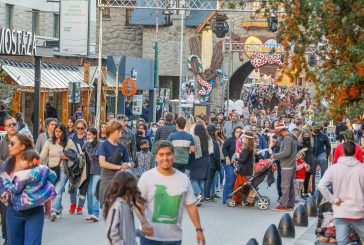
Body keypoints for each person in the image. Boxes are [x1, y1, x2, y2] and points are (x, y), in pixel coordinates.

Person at [138, 140, 205, 245]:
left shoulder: (183, 179)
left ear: (173, 156)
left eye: (168, 154)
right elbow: (138, 204)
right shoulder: (146, 178)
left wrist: (198, 229)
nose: (165, 158)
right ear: (156, 157)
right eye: (161, 154)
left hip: (174, 239)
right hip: (150, 238)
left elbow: (191, 206)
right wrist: (143, 222)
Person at [318, 141, 364, 244]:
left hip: (341, 211)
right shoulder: (361, 168)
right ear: (355, 151)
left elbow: (321, 185)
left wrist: (333, 199)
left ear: (342, 151)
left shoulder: (334, 168)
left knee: (341, 241)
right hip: (359, 211)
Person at [0, 134, 43, 245]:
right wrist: (2, 193)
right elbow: (1, 182)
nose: (9, 146)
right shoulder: (7, 164)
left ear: (22, 147)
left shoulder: (34, 162)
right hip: (13, 211)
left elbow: (46, 180)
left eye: (12, 143)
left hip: (34, 210)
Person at [104, 171, 154, 245]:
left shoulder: (127, 205)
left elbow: (127, 232)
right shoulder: (116, 206)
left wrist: (141, 232)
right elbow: (111, 234)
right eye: (134, 185)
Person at [40, 123, 77, 222]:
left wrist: (67, 156)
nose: (57, 133)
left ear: (63, 132)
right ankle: (59, 208)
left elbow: (76, 154)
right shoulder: (49, 142)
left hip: (63, 169)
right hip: (51, 170)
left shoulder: (69, 142)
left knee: (58, 190)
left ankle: (54, 211)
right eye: (56, 131)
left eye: (60, 131)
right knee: (53, 191)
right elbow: (42, 155)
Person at [95, 120, 134, 206]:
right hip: (106, 177)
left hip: (119, 178)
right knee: (107, 205)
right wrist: (119, 167)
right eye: (118, 132)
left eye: (121, 132)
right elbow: (102, 163)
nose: (121, 134)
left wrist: (128, 165)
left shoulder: (122, 147)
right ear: (111, 131)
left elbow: (129, 163)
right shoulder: (103, 145)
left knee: (119, 205)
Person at [271, 123, 298, 211]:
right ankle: (290, 205)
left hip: (287, 165)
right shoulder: (290, 137)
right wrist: (278, 142)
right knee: (290, 186)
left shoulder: (287, 139)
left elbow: (286, 152)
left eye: (278, 132)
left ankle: (283, 205)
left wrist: (274, 155)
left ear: (282, 130)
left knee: (285, 186)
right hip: (291, 164)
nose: (278, 134)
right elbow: (287, 148)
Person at [0, 116, 18, 244]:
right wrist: (7, 164)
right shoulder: (3, 142)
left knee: (18, 208)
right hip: (5, 178)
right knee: (5, 208)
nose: (12, 126)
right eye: (9, 125)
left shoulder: (23, 139)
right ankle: (6, 237)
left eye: (14, 124)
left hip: (19, 179)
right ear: (5, 128)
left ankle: (16, 235)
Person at [189, 124, 213, 205]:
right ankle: (200, 197)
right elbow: (211, 150)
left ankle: (198, 195)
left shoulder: (195, 138)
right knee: (201, 179)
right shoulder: (208, 138)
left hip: (197, 159)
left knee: (192, 178)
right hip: (206, 159)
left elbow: (192, 149)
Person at [68, 119, 87, 215]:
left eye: (82, 128)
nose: (80, 130)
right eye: (78, 128)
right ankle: (73, 204)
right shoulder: (71, 137)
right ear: (75, 128)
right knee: (72, 184)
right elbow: (67, 149)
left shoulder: (87, 137)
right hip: (73, 164)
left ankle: (80, 206)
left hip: (84, 164)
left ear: (85, 128)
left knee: (83, 185)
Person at [83, 127, 101, 222]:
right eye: (87, 135)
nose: (88, 136)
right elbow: (82, 150)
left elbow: (93, 155)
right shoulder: (87, 144)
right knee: (89, 193)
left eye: (89, 135)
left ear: (94, 135)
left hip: (97, 170)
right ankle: (90, 213)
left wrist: (88, 145)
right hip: (87, 170)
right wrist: (86, 144)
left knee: (94, 192)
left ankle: (95, 213)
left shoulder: (100, 144)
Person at [222, 126, 242, 204]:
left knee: (238, 181)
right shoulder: (230, 140)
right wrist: (226, 157)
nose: (238, 133)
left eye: (240, 131)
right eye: (237, 132)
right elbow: (224, 148)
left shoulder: (243, 141)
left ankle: (235, 198)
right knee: (230, 180)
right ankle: (226, 198)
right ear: (234, 133)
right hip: (229, 163)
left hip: (239, 164)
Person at [234, 131, 255, 205]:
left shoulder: (246, 148)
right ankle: (245, 201)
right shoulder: (250, 147)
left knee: (242, 186)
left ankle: (243, 200)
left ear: (247, 139)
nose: (242, 139)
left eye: (244, 137)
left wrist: (236, 158)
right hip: (248, 169)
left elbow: (243, 160)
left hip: (244, 170)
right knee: (245, 186)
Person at [298, 129, 317, 197]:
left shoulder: (312, 142)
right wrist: (302, 150)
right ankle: (299, 194)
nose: (306, 136)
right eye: (305, 135)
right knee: (301, 178)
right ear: (302, 135)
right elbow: (297, 152)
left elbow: (314, 151)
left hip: (310, 161)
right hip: (302, 161)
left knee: (307, 178)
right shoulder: (299, 142)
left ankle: (305, 193)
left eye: (308, 135)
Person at [205, 124, 221, 201]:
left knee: (206, 180)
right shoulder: (214, 141)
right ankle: (207, 195)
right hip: (212, 163)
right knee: (210, 180)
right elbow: (217, 155)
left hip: (204, 162)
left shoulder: (205, 140)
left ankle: (206, 195)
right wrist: (218, 166)